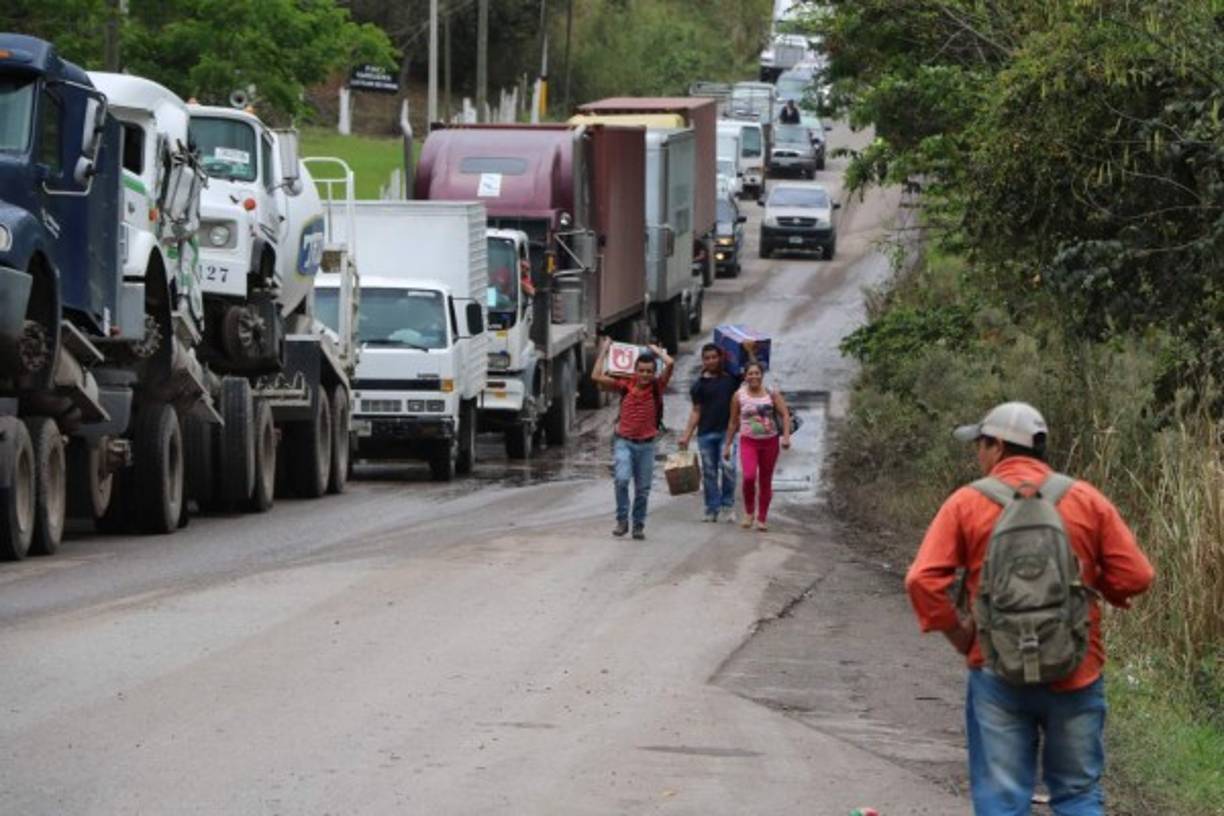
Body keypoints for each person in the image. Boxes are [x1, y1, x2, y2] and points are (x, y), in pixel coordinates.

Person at [905, 402, 1155, 816]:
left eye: (981, 444)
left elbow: (921, 580)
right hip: (1076, 668)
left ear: (998, 446)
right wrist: (1094, 590)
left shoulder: (967, 503)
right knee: (1078, 795)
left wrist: (961, 635)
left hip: (996, 669)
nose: (978, 454)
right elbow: (1137, 575)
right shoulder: (1085, 499)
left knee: (1001, 801)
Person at [590, 338, 674, 540]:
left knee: (643, 489)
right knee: (621, 480)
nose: (645, 375)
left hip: (647, 445)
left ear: (654, 373)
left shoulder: (657, 387)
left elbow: (670, 363)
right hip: (624, 442)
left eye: (649, 371)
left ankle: (638, 525)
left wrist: (656, 351)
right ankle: (622, 520)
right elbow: (596, 376)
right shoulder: (624, 386)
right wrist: (604, 350)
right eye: (641, 371)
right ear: (634, 371)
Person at [679, 342, 753, 523]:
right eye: (707, 358)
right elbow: (696, 411)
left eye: (714, 357)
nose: (711, 361)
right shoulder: (698, 386)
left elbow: (753, 374)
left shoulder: (732, 380)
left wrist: (750, 351)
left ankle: (727, 506)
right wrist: (686, 435)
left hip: (727, 434)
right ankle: (712, 508)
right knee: (710, 472)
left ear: (721, 358)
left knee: (728, 468)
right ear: (703, 361)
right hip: (705, 435)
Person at [724, 361, 790, 531]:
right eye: (750, 374)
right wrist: (727, 445)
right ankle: (749, 512)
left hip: (770, 442)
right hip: (748, 442)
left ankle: (762, 518)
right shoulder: (738, 396)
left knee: (765, 480)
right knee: (749, 477)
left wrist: (786, 437)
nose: (754, 376)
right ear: (745, 376)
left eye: (757, 373)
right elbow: (732, 422)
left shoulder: (771, 393)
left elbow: (785, 414)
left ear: (762, 375)